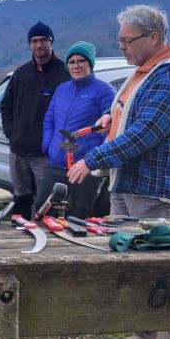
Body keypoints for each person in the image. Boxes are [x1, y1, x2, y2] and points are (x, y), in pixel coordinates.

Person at [68, 5, 170, 339]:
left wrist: (92, 158)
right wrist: (111, 119)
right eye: (120, 40)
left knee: (154, 257)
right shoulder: (145, 71)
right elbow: (130, 114)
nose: (121, 46)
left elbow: (146, 132)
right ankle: (141, 326)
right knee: (127, 250)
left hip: (151, 183)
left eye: (128, 40)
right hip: (127, 179)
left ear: (153, 37)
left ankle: (158, 332)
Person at [0, 21, 71, 218]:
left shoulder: (64, 73)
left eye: (43, 40)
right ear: (29, 44)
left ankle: (48, 240)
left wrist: (55, 144)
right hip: (19, 151)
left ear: (51, 42)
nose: (38, 45)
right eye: (34, 41)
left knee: (47, 201)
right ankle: (21, 236)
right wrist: (12, 134)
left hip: (45, 154)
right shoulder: (21, 74)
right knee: (21, 198)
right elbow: (6, 106)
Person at [37, 41, 115, 218]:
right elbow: (49, 120)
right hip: (56, 162)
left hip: (84, 166)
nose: (76, 65)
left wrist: (94, 156)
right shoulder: (62, 89)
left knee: (80, 214)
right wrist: (48, 146)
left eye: (81, 61)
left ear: (90, 64)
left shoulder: (104, 90)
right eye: (71, 62)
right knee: (43, 209)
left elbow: (111, 126)